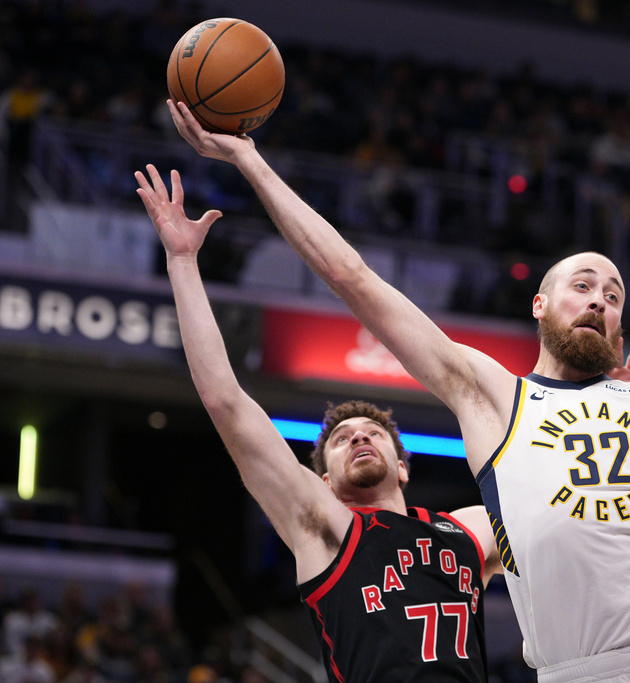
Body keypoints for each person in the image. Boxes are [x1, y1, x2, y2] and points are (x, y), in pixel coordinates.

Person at [159, 98, 630, 683]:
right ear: (539, 305)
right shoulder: (492, 398)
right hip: (573, 672)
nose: (599, 300)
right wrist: (250, 162)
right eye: (582, 285)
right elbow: (350, 277)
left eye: (613, 296)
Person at [134, 165, 502, 682]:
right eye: (342, 439)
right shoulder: (325, 527)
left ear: (403, 467)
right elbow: (226, 402)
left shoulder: (467, 530)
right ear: (325, 481)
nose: (359, 436)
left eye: (373, 434)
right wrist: (181, 261)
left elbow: (561, 511)